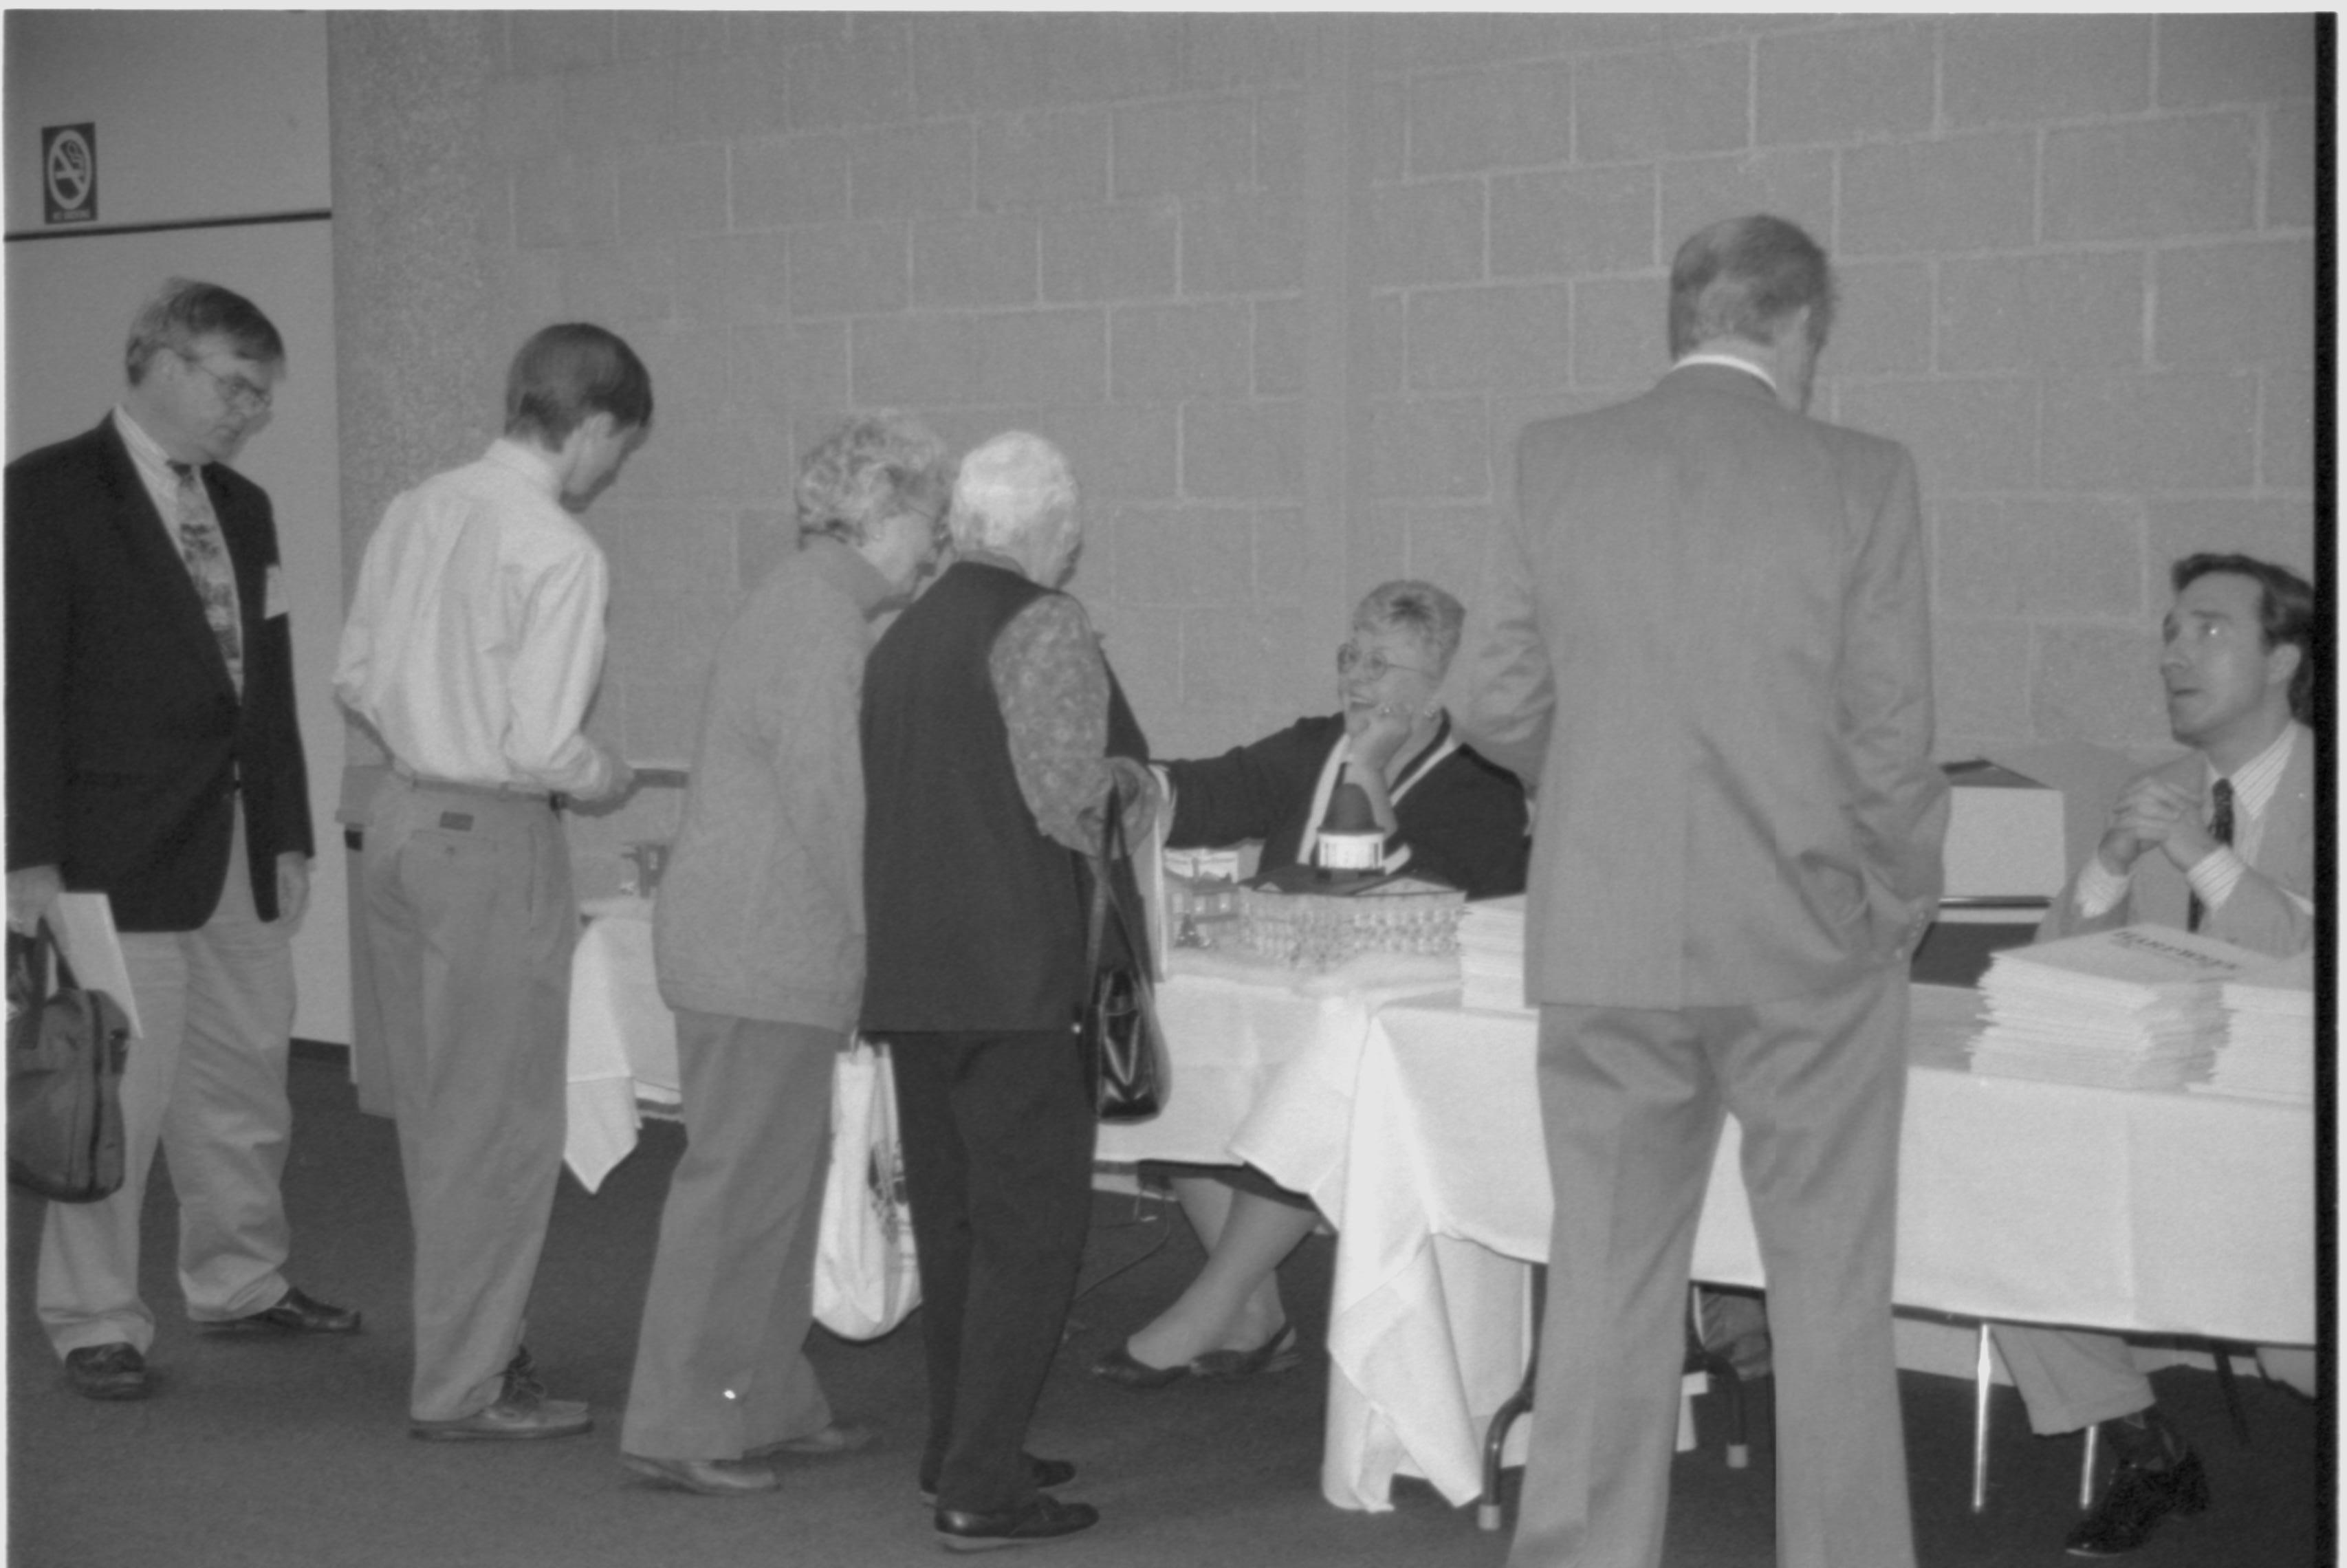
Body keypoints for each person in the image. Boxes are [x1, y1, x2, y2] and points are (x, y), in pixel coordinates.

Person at [1449, 215, 1950, 1568]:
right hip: (1805, 944)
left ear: (1679, 319)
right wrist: (1904, 891)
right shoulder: (1860, 476)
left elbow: (1489, 696)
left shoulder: (1550, 459)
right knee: (1828, 1296)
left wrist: (1601, 780)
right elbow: (1887, 733)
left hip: (1604, 935)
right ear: (1797, 328)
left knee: (1604, 1287)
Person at [5, 279, 360, 1403]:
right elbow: (21, 691)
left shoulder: (242, 508)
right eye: (234, 385)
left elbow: (265, 686)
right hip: (104, 853)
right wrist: (26, 857)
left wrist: (292, 830)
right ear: (156, 357)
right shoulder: (46, 494)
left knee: (246, 1082)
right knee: (111, 1095)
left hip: (240, 845)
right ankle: (92, 1319)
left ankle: (241, 1282)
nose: (251, 411)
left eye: (263, 394)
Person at [618, 411, 954, 1496]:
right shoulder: (818, 622)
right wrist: (893, 947)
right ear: (885, 513)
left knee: (778, 1194)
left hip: (767, 950)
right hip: (762, 953)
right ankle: (680, 1425)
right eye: (930, 520)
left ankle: (757, 1402)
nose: (935, 543)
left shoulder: (810, 607)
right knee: (739, 1194)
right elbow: (837, 808)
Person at [1093, 579, 1529, 1387]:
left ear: (1438, 689)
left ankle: (1210, 1305)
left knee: (1313, 1091)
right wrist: (1125, 784)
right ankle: (1252, 1310)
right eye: (1351, 657)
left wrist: (1367, 766)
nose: (1357, 679)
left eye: (1383, 665)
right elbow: (1209, 790)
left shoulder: (1482, 784)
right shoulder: (1310, 745)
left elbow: (1410, 890)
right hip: (1291, 992)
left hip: (1404, 1035)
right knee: (1174, 1052)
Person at [335, 323, 648, 1441]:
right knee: (502, 1123)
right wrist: (605, 777)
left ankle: (472, 1342)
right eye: (617, 452)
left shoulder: (416, 508)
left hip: (403, 816)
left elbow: (357, 675)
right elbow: (540, 745)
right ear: (596, 425)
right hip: (494, 834)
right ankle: (465, 1381)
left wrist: (435, 722)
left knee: (436, 1114)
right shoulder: (559, 549)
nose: (610, 474)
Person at [860, 431, 1152, 1551]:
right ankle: (982, 1488)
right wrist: (1139, 778)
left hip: (914, 977)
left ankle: (959, 1442)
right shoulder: (1042, 624)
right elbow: (1074, 801)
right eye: (1068, 536)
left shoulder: (903, 636)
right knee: (1029, 1236)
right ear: (1045, 533)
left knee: (955, 1228)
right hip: (1016, 980)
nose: (1069, 553)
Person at [1993, 551, 2315, 1560]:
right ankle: (2145, 1440)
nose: (2177, 653)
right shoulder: (2164, 791)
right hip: (2167, 1111)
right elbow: (2060, 963)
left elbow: (2304, 961)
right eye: (2171, 633)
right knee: (1998, 1201)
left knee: (2294, 1336)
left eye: (2210, 630)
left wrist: (2196, 854)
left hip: (2302, 1132)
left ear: (2283, 659)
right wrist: (2113, 858)